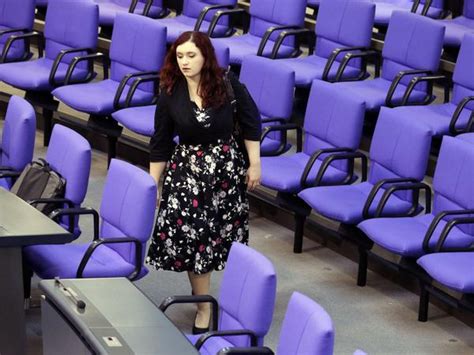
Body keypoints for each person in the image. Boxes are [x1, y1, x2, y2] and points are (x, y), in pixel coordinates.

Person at [146, 31, 261, 334]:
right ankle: (204, 305)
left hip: (224, 174)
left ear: (205, 56)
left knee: (214, 240)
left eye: (191, 55)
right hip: (186, 173)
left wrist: (255, 163)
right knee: (192, 239)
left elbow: (251, 123)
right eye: (179, 56)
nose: (184, 62)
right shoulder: (170, 91)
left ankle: (208, 302)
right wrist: (153, 184)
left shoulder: (227, 83)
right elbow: (160, 141)